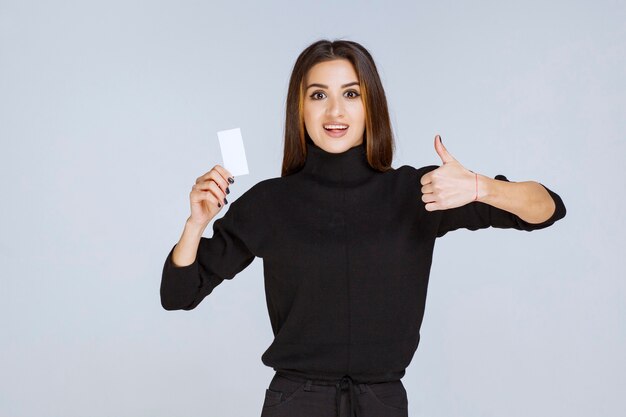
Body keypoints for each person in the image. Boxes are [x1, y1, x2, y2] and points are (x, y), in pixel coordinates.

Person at [160, 39, 566, 417]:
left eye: (351, 94)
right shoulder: (270, 202)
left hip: (382, 401)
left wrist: (480, 187)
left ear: (371, 105)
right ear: (299, 109)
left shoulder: (420, 192)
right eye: (318, 95)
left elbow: (546, 208)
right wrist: (196, 224)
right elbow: (178, 294)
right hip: (295, 402)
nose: (335, 111)